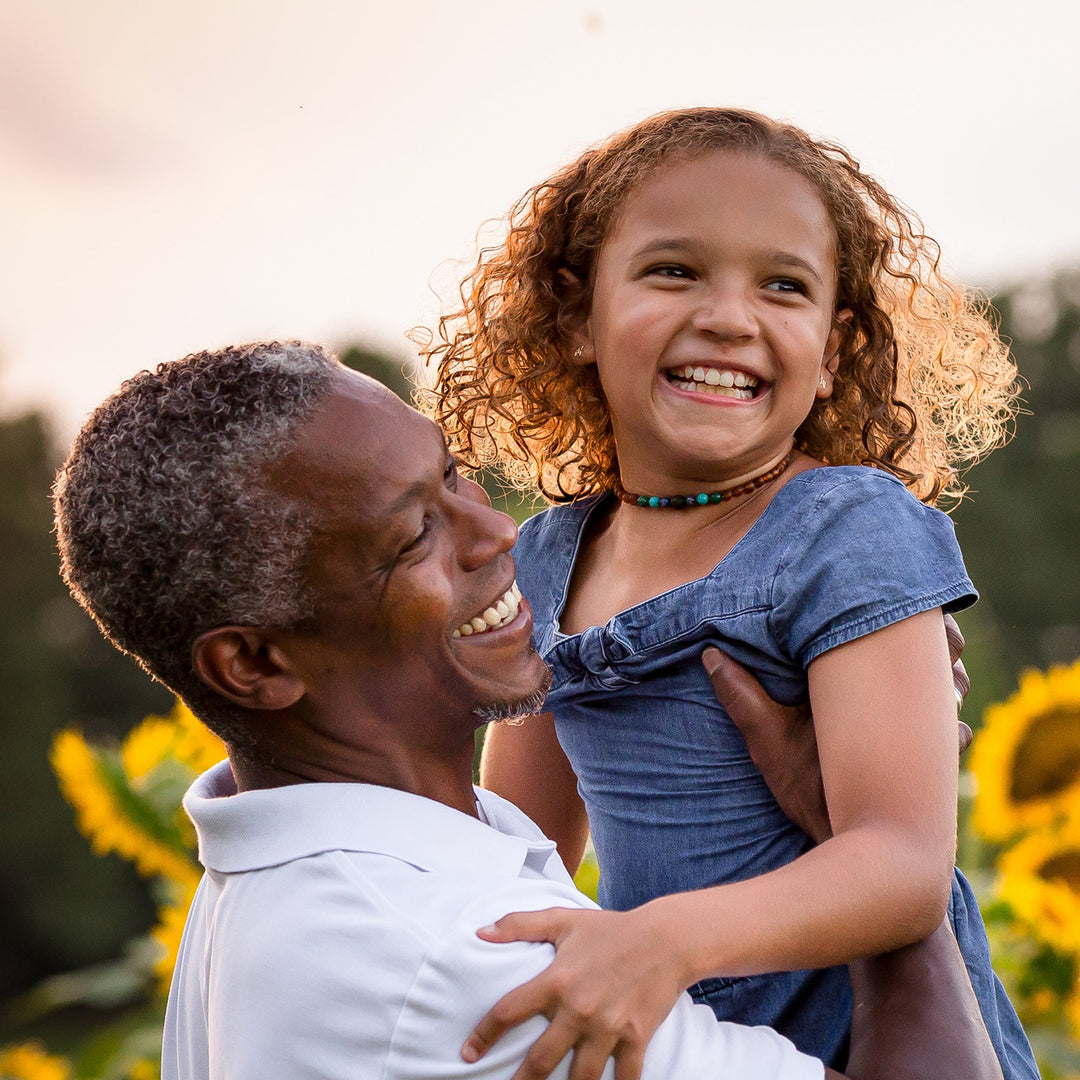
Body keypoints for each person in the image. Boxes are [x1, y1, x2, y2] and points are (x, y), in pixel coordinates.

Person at [52, 342, 1001, 1080]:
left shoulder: (288, 889)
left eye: (455, 475)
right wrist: (861, 841)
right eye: (417, 532)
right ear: (255, 663)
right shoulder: (461, 963)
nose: (499, 531)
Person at [425, 107, 1037, 1079]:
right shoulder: (545, 560)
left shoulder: (848, 527)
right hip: (672, 1044)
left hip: (881, 1042)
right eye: (674, 270)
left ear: (834, 349)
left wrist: (665, 940)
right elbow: (514, 849)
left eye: (783, 286)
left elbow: (900, 865)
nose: (728, 315)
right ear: (577, 317)